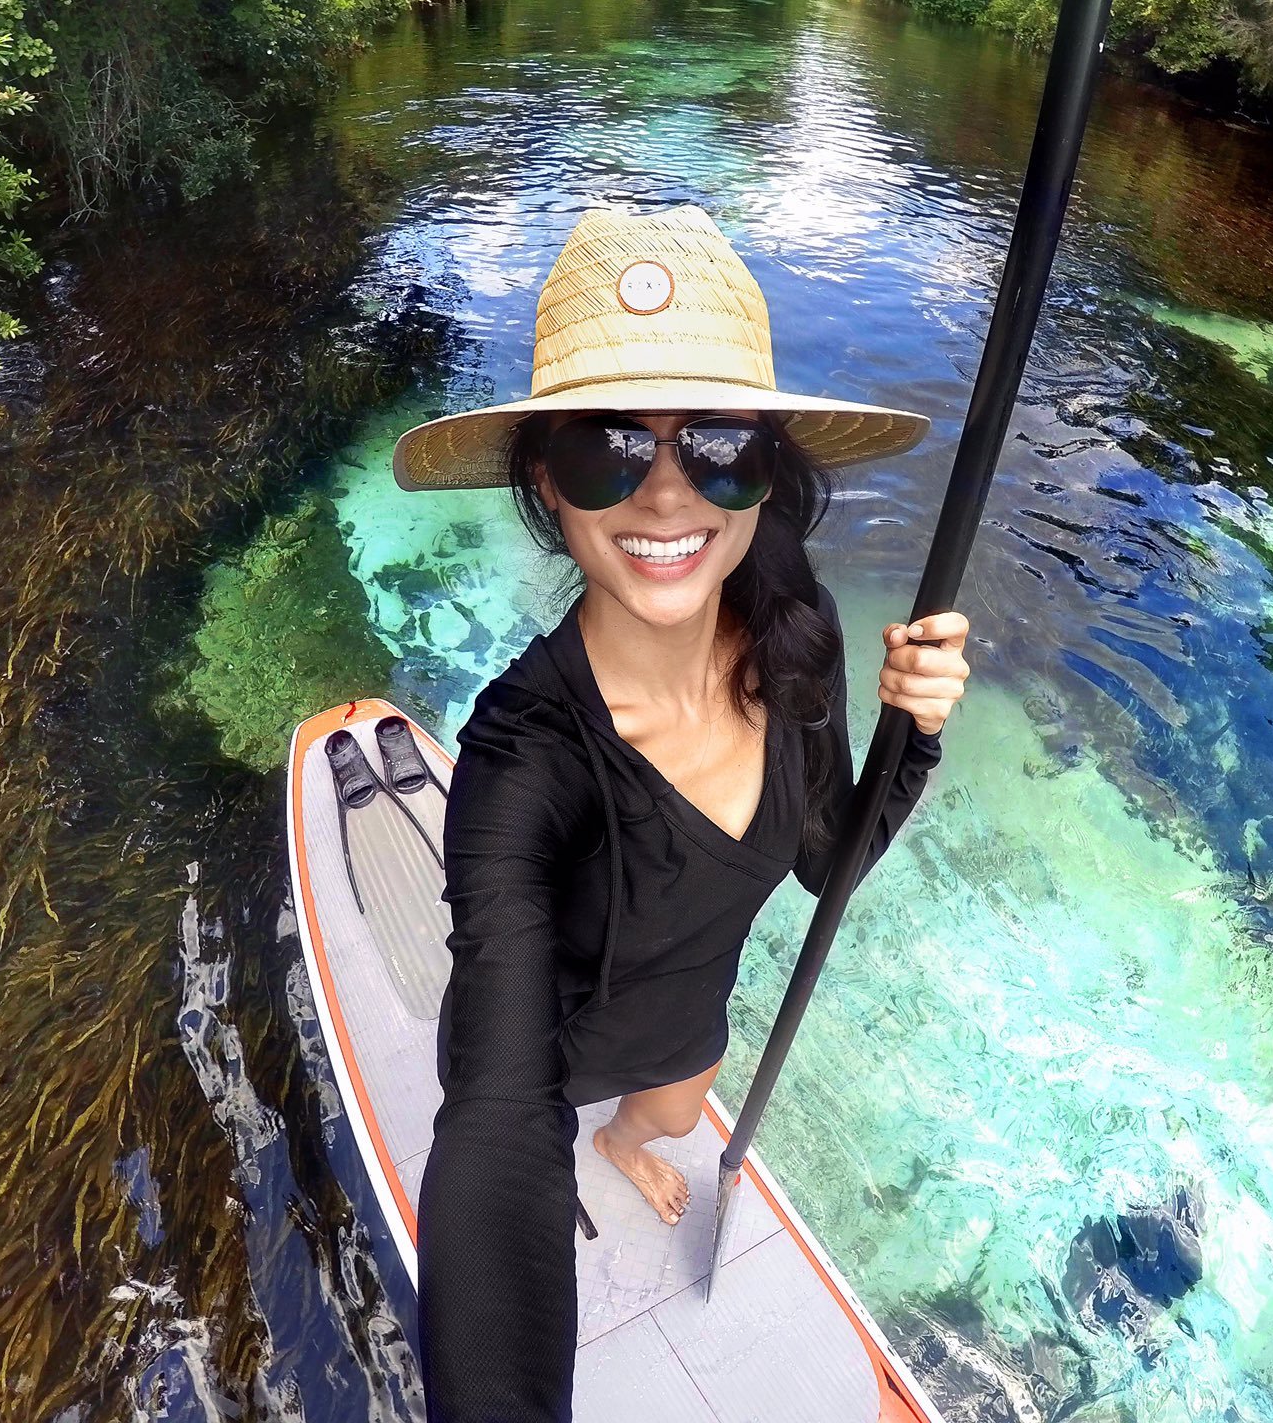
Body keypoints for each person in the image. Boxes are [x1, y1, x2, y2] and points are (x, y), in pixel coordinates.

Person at [389, 204, 971, 1422]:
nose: (664, 494)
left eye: (716, 446)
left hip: (682, 1025)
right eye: (608, 450)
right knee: (543, 1135)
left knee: (662, 1115)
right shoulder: (519, 754)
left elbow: (825, 863)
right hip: (540, 1054)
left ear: (766, 473)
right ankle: (591, 1141)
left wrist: (911, 735)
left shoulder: (794, 638)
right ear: (546, 484)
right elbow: (495, 1125)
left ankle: (622, 1145)